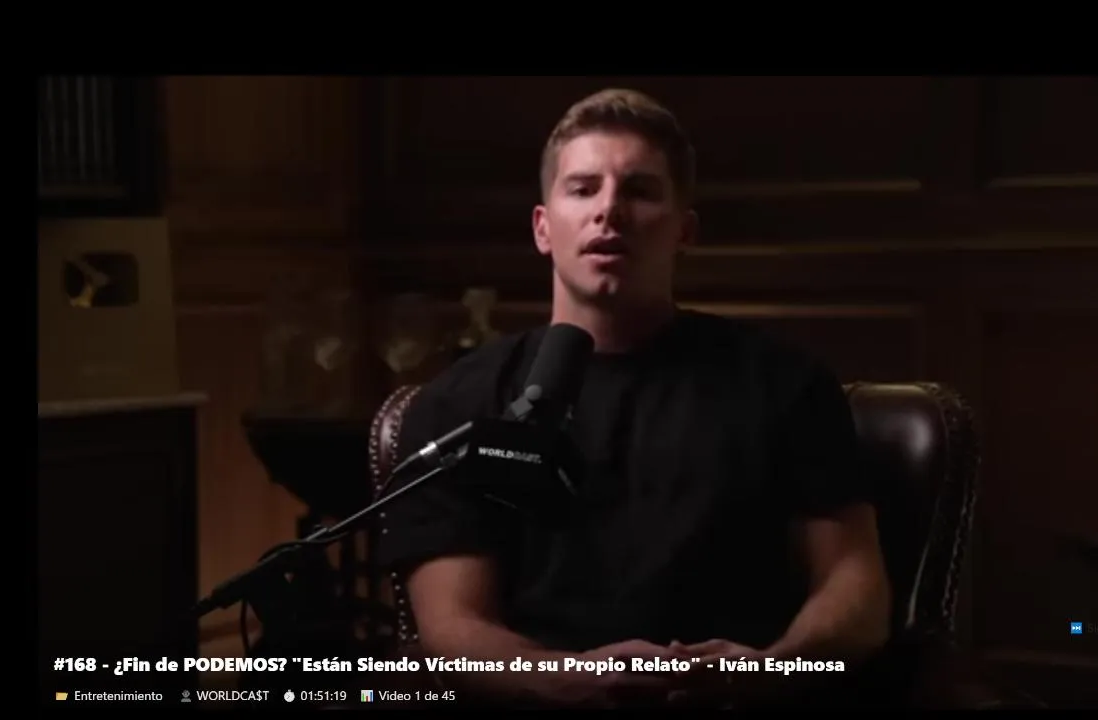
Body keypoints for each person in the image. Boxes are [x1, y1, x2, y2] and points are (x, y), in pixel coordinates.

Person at [377, 88, 891, 708]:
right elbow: (452, 628)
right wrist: (566, 680)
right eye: (582, 188)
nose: (609, 211)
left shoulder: (784, 382)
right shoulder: (458, 404)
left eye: (640, 191)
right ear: (543, 228)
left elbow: (856, 590)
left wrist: (770, 671)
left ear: (684, 230)